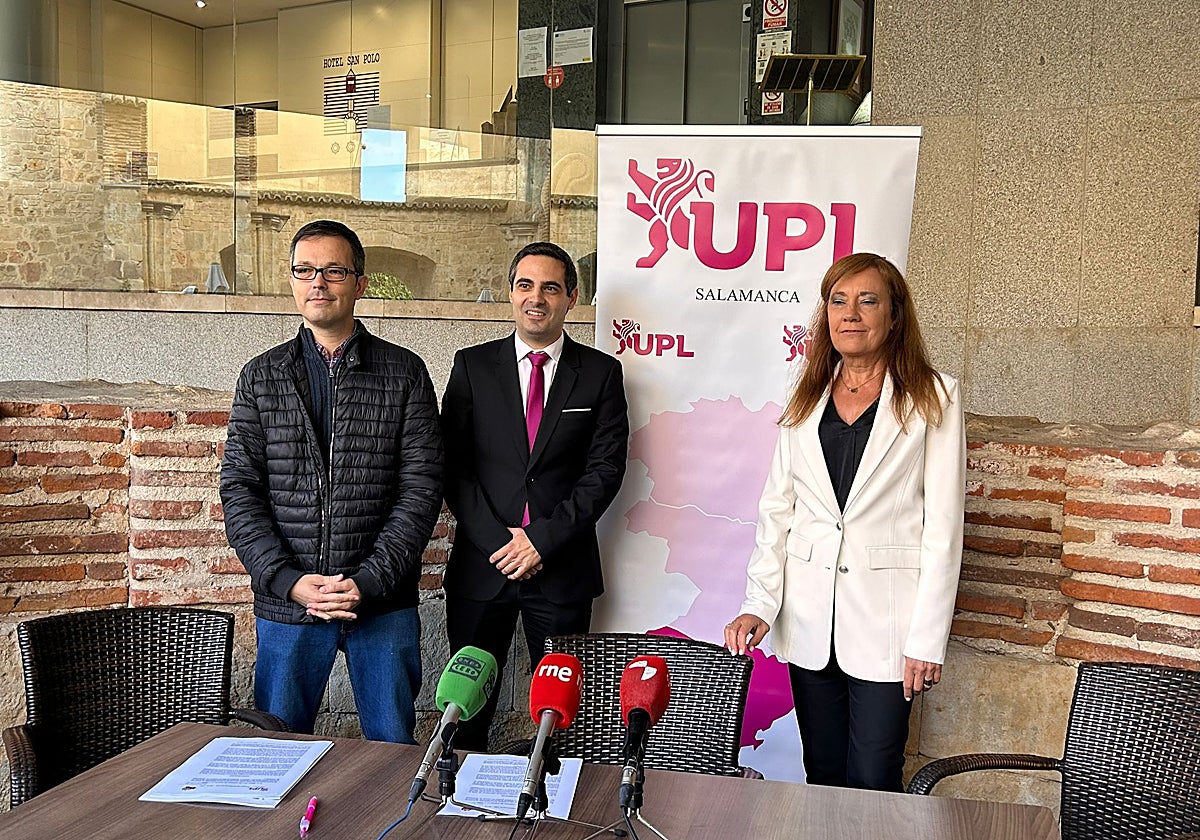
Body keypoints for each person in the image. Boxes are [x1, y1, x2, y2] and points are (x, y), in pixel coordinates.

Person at [724, 252, 965, 792]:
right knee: (824, 773)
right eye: (838, 301)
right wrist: (759, 604)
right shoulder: (805, 394)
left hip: (889, 623)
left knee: (875, 776)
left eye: (867, 300)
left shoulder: (936, 395)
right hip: (808, 619)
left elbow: (944, 529)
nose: (850, 314)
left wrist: (927, 638)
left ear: (894, 315)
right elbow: (777, 511)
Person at [220, 219, 443, 744]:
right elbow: (240, 490)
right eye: (304, 270)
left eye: (333, 271)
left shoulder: (404, 372)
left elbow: (420, 491)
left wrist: (366, 581)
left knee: (391, 750)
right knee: (276, 748)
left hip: (380, 602)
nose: (317, 282)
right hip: (289, 603)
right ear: (293, 280)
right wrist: (288, 580)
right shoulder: (261, 375)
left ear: (359, 282)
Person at [441, 241, 629, 750]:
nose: (536, 297)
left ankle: (553, 815)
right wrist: (500, 543)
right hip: (484, 567)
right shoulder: (472, 367)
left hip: (561, 569)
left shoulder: (600, 375)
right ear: (510, 294)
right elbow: (452, 466)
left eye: (550, 287)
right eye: (525, 285)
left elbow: (604, 472)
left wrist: (540, 542)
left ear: (571, 297)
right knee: (466, 708)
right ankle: (463, 811)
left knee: (565, 717)